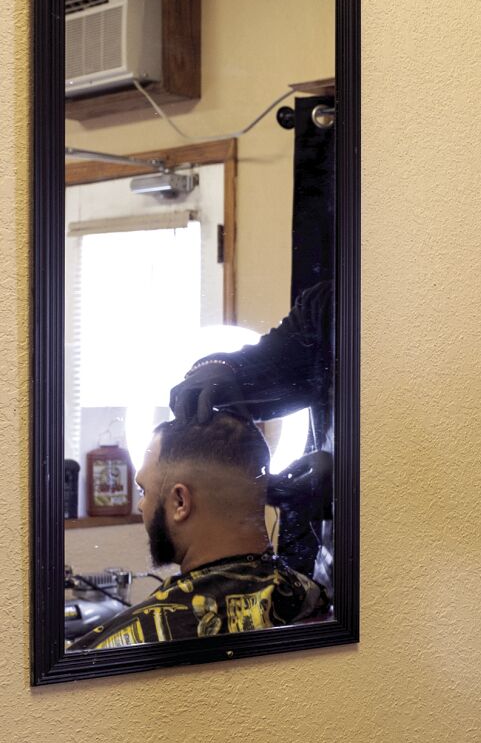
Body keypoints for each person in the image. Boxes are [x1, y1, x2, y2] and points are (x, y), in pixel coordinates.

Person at [68, 413, 326, 651]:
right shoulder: (314, 598)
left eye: (144, 491)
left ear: (180, 502)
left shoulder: (122, 645)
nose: (140, 505)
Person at [169, 278, 335, 586]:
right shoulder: (329, 307)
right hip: (341, 583)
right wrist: (217, 367)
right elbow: (269, 365)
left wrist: (347, 481)